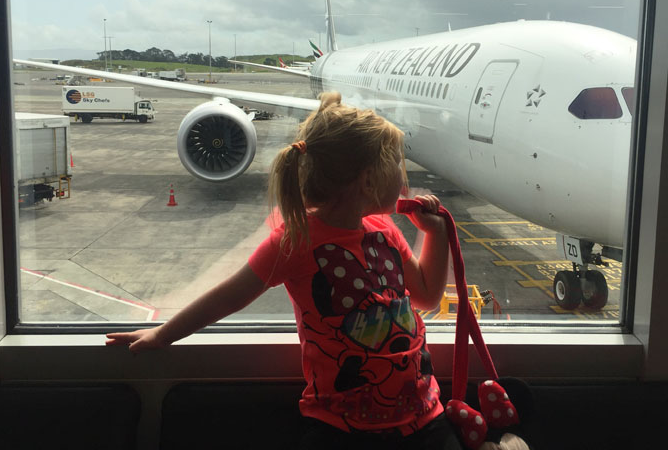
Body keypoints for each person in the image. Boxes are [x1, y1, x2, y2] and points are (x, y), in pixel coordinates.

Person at [106, 91, 461, 449]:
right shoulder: (295, 240)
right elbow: (228, 297)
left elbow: (427, 296)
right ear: (368, 181)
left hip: (423, 417)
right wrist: (162, 335)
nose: (404, 180)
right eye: (398, 166)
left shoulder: (386, 230)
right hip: (340, 428)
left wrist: (437, 233)